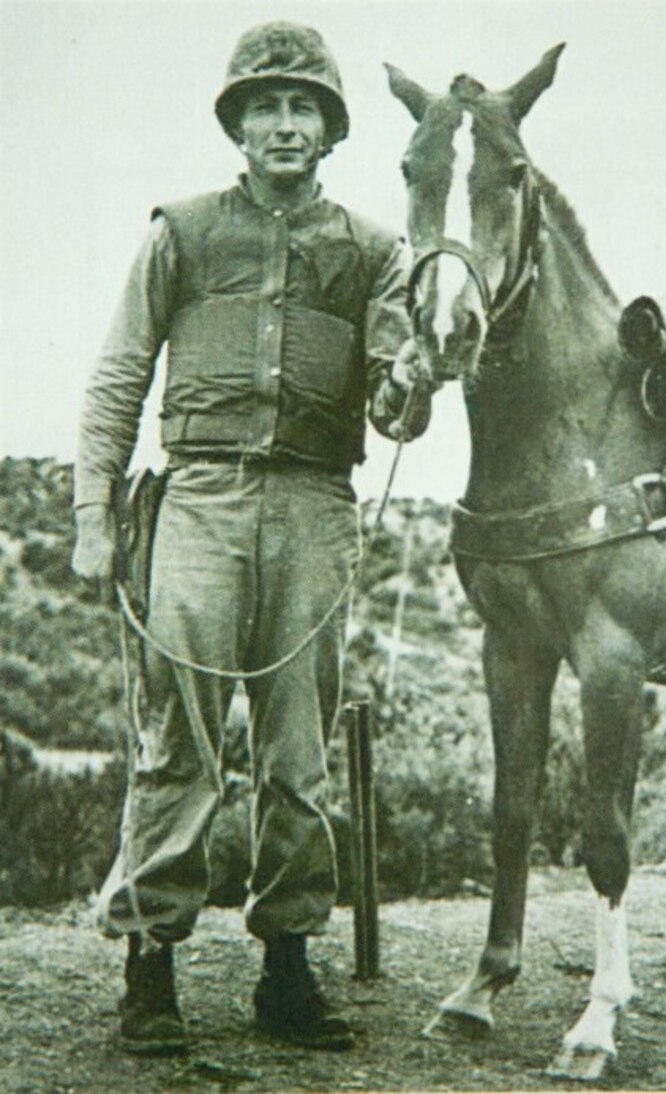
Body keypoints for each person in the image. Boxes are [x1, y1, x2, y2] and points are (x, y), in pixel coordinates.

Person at [71, 22, 428, 1055]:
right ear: (238, 122)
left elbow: (400, 407)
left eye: (302, 106)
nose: (283, 123)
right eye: (264, 105)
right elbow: (115, 384)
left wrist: (410, 381)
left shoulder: (373, 253)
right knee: (178, 739)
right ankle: (151, 964)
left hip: (316, 509)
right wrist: (95, 522)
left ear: (328, 129)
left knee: (295, 751)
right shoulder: (180, 231)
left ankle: (286, 966)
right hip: (198, 507)